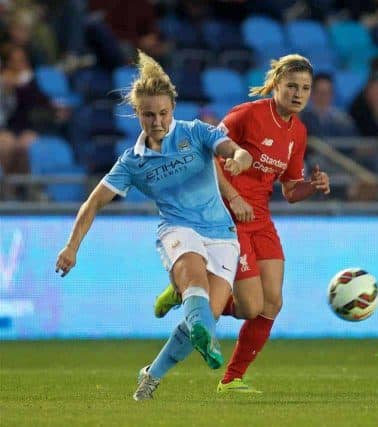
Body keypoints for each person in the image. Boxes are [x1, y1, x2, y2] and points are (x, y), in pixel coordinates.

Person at [54, 50, 253, 400]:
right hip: (177, 229)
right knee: (196, 286)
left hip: (221, 234)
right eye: (149, 115)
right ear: (136, 114)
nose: (157, 121)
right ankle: (192, 307)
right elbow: (93, 203)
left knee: (207, 316)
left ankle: (152, 373)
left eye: (163, 113)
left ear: (172, 109)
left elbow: (237, 151)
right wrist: (72, 246)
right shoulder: (132, 162)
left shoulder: (196, 132)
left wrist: (237, 160)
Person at [153, 53, 331, 393]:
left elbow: (290, 189)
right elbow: (207, 154)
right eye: (291, 86)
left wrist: (312, 185)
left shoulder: (299, 132)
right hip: (229, 216)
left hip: (261, 218)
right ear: (276, 85)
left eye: (305, 89)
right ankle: (189, 291)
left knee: (272, 302)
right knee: (250, 306)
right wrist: (234, 197)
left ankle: (232, 379)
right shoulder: (247, 115)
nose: (298, 94)